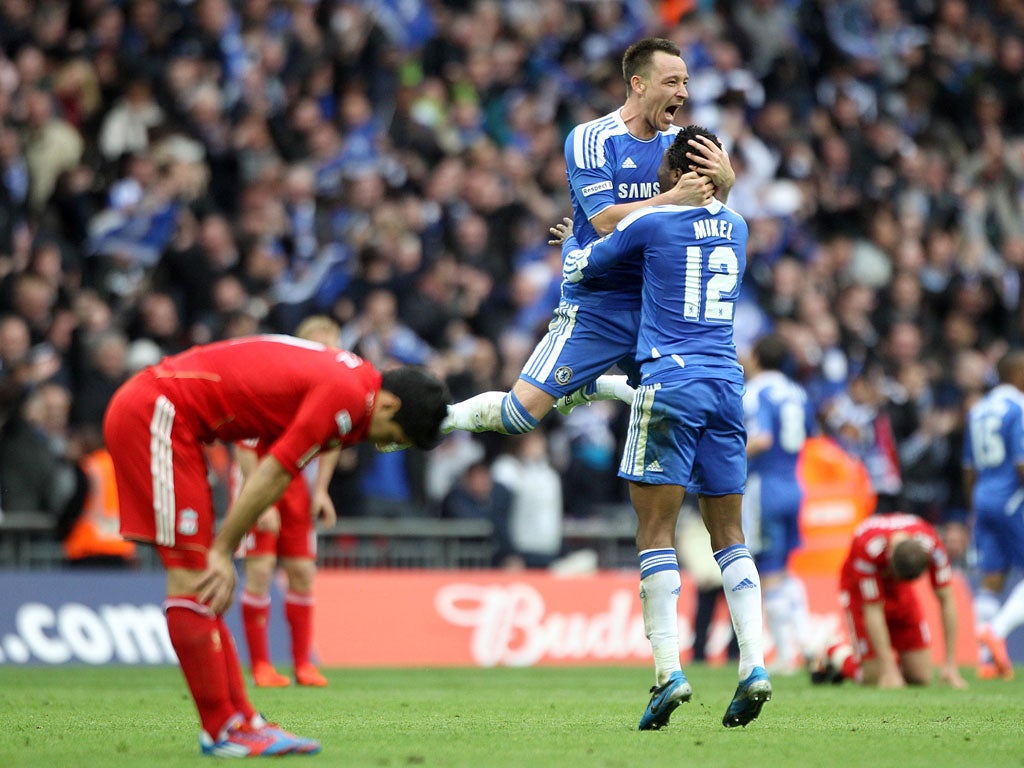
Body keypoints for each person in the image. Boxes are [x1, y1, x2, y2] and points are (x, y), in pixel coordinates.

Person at [103, 335, 450, 757]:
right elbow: (274, 472)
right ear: (392, 405)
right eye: (394, 434)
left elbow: (281, 470)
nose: (384, 444)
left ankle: (242, 720)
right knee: (194, 577)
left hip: (173, 419)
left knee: (201, 585)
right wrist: (223, 548)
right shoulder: (346, 397)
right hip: (159, 412)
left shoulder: (355, 385)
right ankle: (223, 729)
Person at [562, 125, 769, 731]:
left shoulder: (652, 222)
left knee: (654, 531)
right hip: (727, 386)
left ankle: (667, 672)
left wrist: (571, 242)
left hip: (670, 383)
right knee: (729, 534)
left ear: (672, 173)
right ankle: (754, 665)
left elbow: (581, 269)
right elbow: (713, 213)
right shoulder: (738, 226)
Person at [443, 37, 733, 436]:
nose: (683, 93)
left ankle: (609, 389)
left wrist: (726, 187)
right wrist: (671, 198)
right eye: (671, 82)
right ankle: (439, 418)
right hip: (599, 303)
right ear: (639, 84)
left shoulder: (681, 144)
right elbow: (604, 221)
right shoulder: (592, 138)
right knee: (518, 417)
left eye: (685, 82)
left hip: (658, 309)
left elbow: (712, 223)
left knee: (685, 423)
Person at [235, 315, 341, 689]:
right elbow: (245, 443)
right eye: (319, 344)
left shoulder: (330, 391)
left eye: (332, 345)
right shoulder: (278, 383)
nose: (327, 352)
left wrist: (322, 489)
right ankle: (262, 665)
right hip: (256, 476)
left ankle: (302, 665)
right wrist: (258, 502)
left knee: (302, 572)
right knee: (260, 570)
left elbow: (332, 444)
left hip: (294, 481)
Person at [816, 512, 967, 689]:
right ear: (889, 561)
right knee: (874, 676)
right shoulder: (867, 546)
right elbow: (873, 609)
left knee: (921, 676)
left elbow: (947, 598)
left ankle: (891, 663)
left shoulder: (932, 545)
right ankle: (833, 650)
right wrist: (888, 670)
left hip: (901, 592)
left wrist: (950, 664)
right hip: (858, 589)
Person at [742, 333, 817, 672]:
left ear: (756, 357)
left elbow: (762, 438)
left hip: (766, 488)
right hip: (794, 483)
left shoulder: (757, 391)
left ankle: (788, 655)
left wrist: (723, 460)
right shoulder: (797, 392)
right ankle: (809, 640)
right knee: (785, 568)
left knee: (769, 570)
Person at [962, 349, 1024, 681]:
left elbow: (968, 466)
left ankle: (986, 661)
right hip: (1013, 497)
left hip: (983, 496)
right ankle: (995, 632)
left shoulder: (979, 409)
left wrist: (974, 505)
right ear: (1017, 375)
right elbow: (1021, 462)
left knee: (991, 579)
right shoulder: (1019, 407)